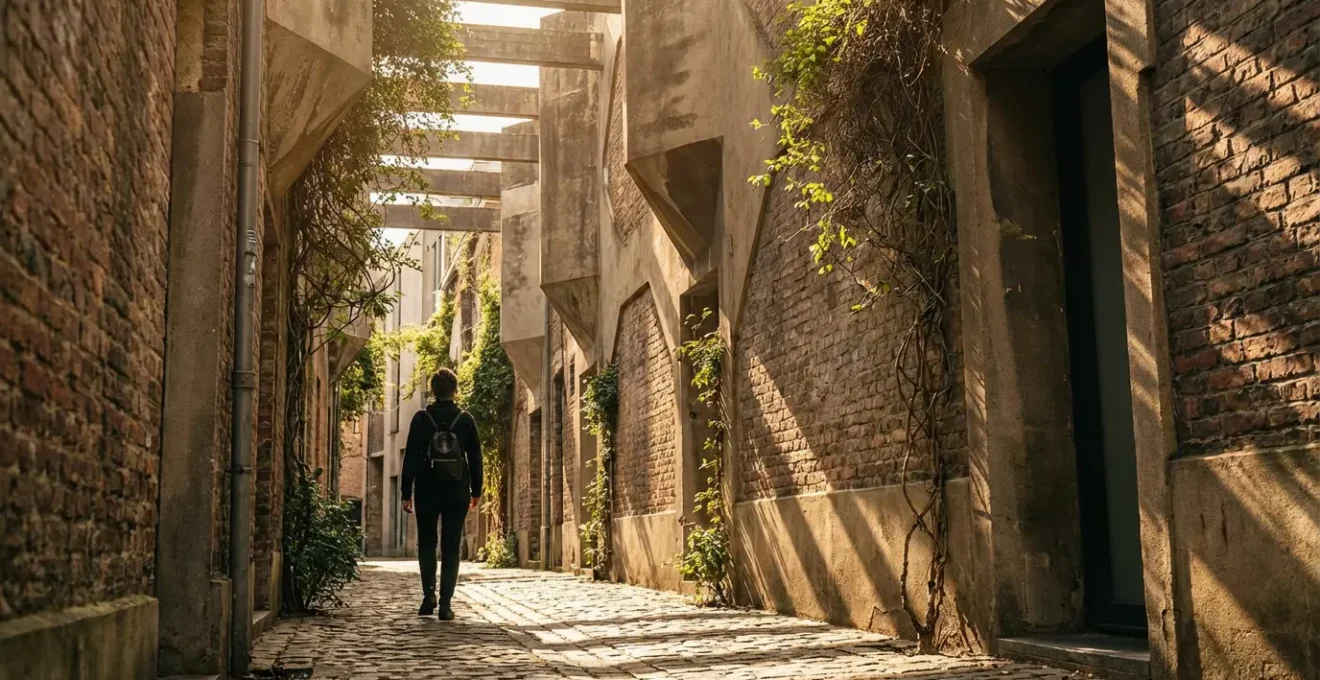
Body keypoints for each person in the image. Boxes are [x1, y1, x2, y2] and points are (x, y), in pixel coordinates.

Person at [400, 368, 482, 621]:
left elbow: (411, 455)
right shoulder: (466, 420)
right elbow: (476, 458)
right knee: (451, 546)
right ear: (455, 391)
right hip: (457, 489)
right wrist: (476, 490)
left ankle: (429, 597)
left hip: (427, 488)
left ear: (432, 391)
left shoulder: (421, 419)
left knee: (426, 542)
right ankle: (446, 604)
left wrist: (406, 491)